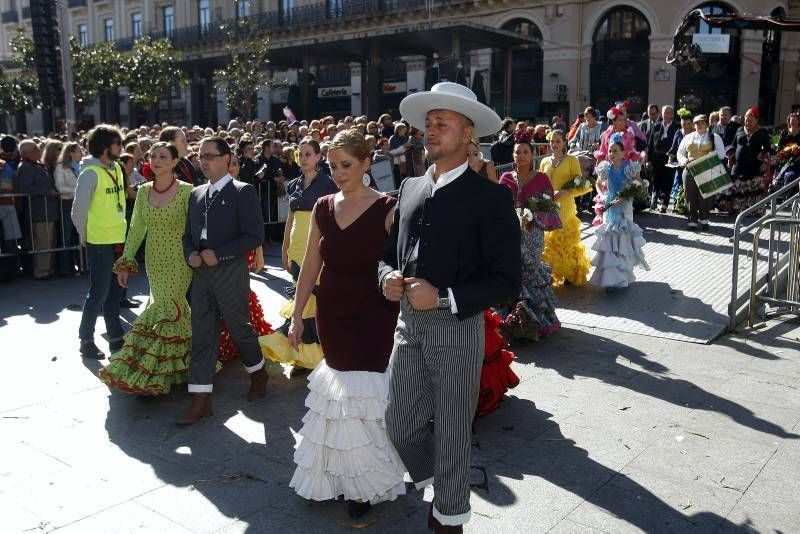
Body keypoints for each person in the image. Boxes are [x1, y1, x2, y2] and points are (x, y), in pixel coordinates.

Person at [381, 82, 521, 533]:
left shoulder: (492, 198)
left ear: (467, 134)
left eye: (442, 124)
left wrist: (442, 296)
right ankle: (441, 480)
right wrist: (386, 277)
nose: (430, 131)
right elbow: (387, 253)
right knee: (399, 424)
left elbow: (507, 280)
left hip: (457, 327)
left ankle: (449, 516)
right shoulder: (409, 187)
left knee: (454, 433)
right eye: (428, 123)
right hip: (407, 325)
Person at [285, 129, 405, 519]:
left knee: (366, 396)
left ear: (367, 163)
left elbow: (403, 265)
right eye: (332, 166)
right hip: (332, 309)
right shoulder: (321, 206)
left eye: (346, 165)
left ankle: (365, 484)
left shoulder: (389, 208)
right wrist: (297, 318)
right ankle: (332, 477)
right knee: (338, 395)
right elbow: (309, 268)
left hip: (374, 312)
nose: (337, 173)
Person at [178, 136, 268, 425]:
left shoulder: (243, 192)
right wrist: (191, 253)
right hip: (201, 274)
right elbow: (187, 236)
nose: (203, 160)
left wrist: (222, 254)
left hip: (229, 271)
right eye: (200, 155)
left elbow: (254, 235)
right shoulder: (195, 194)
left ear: (226, 159)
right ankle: (200, 400)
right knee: (203, 333)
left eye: (209, 155)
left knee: (239, 327)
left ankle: (258, 372)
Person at [98, 143, 198, 395]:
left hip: (179, 259)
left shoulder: (187, 191)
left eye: (163, 156)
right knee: (172, 308)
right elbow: (136, 230)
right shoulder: (142, 192)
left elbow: (196, 229)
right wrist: (126, 263)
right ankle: (180, 367)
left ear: (175, 162)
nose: (156, 160)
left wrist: (199, 256)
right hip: (154, 260)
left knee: (167, 306)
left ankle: (154, 369)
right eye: (153, 156)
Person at [260, 138, 338, 373]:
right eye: (300, 154)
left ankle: (316, 355)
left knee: (312, 303)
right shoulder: (293, 184)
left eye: (308, 154)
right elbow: (290, 219)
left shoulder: (329, 184)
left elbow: (334, 218)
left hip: (318, 247)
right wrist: (284, 249)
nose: (303, 158)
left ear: (318, 157)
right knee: (301, 304)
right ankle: (302, 356)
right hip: (296, 248)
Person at [72, 125, 127, 359]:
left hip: (117, 239)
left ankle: (116, 338)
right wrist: (85, 238)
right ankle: (86, 339)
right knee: (99, 293)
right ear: (105, 147)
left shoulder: (116, 168)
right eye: (117, 144)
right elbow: (78, 212)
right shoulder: (90, 174)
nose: (121, 148)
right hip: (99, 242)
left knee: (114, 293)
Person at [498, 137, 560, 340]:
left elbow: (549, 206)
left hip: (533, 234)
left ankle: (538, 321)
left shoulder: (542, 178)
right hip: (509, 234)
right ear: (513, 155)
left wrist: (531, 216)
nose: (521, 156)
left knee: (531, 272)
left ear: (532, 155)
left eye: (525, 152)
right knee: (512, 271)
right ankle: (513, 321)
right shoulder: (506, 177)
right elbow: (496, 206)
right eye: (517, 152)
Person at [217, 152, 273, 363]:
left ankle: (242, 341)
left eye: (235, 164)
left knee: (240, 292)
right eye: (228, 164)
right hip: (218, 254)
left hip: (242, 251)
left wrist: (259, 252)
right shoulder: (211, 190)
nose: (232, 168)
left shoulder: (244, 190)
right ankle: (227, 340)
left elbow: (255, 227)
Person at [590, 133, 649, 292]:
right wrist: (602, 195)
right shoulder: (605, 167)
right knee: (609, 241)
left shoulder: (629, 167)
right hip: (610, 206)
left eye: (615, 151)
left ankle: (622, 276)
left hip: (624, 208)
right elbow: (598, 183)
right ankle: (610, 279)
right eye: (610, 151)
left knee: (622, 241)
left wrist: (628, 192)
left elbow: (639, 183)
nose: (612, 154)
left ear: (623, 153)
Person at [540, 130, 592, 287]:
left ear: (564, 143)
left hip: (566, 206)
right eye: (552, 141)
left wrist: (564, 192)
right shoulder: (544, 161)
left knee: (566, 241)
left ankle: (571, 273)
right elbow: (541, 183)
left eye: (558, 141)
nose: (554, 145)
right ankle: (551, 273)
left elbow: (580, 184)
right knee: (550, 241)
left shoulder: (571, 160)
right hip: (549, 207)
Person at [16, 140, 61, 280]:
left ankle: (49, 269)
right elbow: (25, 188)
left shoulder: (38, 165)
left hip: (48, 210)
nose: (39, 151)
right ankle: (42, 271)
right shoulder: (25, 167)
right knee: (43, 243)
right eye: (36, 149)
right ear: (28, 152)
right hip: (39, 212)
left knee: (49, 242)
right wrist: (47, 191)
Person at [717, 108, 773, 214]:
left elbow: (768, 149)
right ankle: (735, 209)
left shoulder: (762, 133)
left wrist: (765, 161)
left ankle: (752, 211)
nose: (747, 122)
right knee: (734, 187)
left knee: (752, 190)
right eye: (746, 120)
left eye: (750, 120)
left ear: (756, 120)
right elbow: (733, 146)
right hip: (738, 166)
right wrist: (730, 156)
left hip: (754, 166)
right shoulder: (739, 130)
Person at [677, 115, 726, 231]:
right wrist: (685, 161)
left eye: (702, 123)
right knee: (690, 196)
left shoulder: (714, 137)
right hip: (690, 170)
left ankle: (704, 220)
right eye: (697, 123)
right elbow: (680, 153)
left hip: (707, 169)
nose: (699, 125)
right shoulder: (688, 137)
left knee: (706, 196)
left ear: (707, 124)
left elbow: (722, 153)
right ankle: (692, 221)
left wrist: (710, 155)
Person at [54, 142, 82, 277]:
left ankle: (81, 265)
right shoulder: (61, 168)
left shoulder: (80, 167)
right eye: (78, 151)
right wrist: (78, 191)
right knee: (67, 236)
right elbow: (60, 187)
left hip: (79, 204)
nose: (81, 153)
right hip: (66, 204)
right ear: (71, 153)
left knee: (79, 236)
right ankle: (66, 268)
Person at [647, 105, 679, 212]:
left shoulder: (676, 128)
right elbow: (650, 144)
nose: (666, 115)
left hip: (669, 158)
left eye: (669, 113)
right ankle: (654, 201)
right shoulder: (656, 126)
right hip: (657, 157)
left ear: (672, 115)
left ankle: (664, 204)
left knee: (667, 181)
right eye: (665, 112)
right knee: (655, 180)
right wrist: (648, 160)